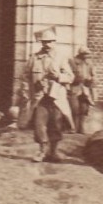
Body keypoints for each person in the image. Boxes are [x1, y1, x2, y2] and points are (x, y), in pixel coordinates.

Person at [14, 27, 74, 162]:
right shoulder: (34, 58)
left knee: (56, 125)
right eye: (44, 42)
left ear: (55, 42)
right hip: (40, 98)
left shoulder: (61, 58)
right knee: (39, 124)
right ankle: (41, 151)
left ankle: (53, 152)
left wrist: (58, 76)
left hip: (56, 98)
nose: (47, 45)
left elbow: (71, 76)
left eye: (50, 42)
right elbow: (25, 76)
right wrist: (26, 91)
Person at [68, 46, 97, 134]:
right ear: (80, 54)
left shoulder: (89, 63)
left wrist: (92, 82)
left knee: (84, 109)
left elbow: (93, 75)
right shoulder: (72, 62)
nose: (86, 56)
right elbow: (68, 75)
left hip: (85, 88)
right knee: (74, 108)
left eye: (87, 54)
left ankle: (82, 128)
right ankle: (73, 128)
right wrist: (75, 79)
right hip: (74, 87)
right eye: (85, 54)